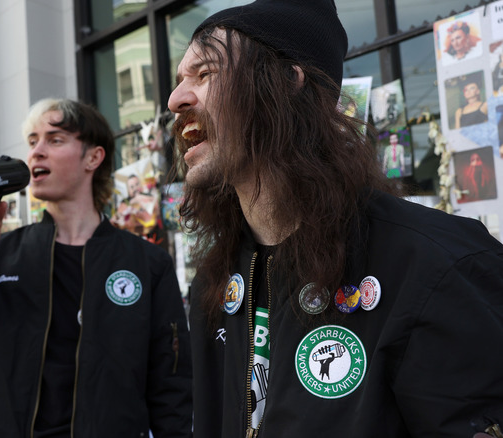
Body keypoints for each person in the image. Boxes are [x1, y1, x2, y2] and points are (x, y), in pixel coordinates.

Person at [168, 1, 503, 437]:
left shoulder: (436, 264)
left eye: (205, 73)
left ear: (286, 82)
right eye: (179, 81)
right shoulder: (214, 283)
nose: (176, 100)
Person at [0, 98, 192, 437]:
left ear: (93, 157)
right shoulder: (1, 254)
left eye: (54, 139)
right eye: (32, 142)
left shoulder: (147, 263)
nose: (36, 152)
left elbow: (171, 390)